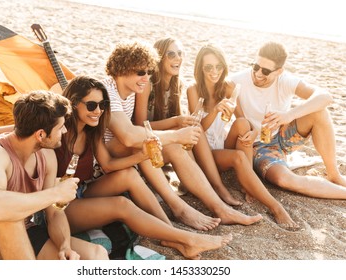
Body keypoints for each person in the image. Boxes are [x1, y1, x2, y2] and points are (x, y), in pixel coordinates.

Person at [56, 75, 233, 259]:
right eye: (92, 105)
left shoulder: (91, 130)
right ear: (75, 103)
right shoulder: (58, 133)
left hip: (82, 189)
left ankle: (171, 235)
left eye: (103, 105)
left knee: (130, 175)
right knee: (122, 204)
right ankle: (187, 238)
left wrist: (141, 156)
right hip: (60, 204)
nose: (98, 111)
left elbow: (108, 165)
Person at [103, 40, 262, 230]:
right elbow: (129, 136)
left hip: (128, 153)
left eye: (148, 72)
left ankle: (219, 208)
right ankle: (183, 208)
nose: (145, 78)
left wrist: (176, 134)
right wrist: (176, 133)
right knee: (156, 140)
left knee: (173, 146)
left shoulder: (130, 91)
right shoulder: (107, 92)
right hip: (106, 161)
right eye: (140, 72)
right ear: (121, 69)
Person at [0, 91, 108, 260]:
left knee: (96, 255)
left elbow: (54, 213)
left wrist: (64, 245)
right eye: (60, 127)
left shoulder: (47, 155)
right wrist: (56, 193)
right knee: (10, 214)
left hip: (23, 229)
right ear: (41, 134)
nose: (65, 131)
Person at [186, 43, 297, 228]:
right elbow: (197, 130)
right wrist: (214, 110)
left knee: (243, 124)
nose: (214, 71)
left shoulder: (228, 88)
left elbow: (241, 119)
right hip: (202, 151)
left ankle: (248, 184)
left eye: (218, 66)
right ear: (200, 68)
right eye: (208, 67)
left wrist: (254, 132)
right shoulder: (193, 90)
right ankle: (275, 206)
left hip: (221, 145)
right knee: (234, 155)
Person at [231, 41, 346, 199]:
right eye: (255, 66)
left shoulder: (285, 80)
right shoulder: (238, 80)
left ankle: (334, 175)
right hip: (258, 144)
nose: (258, 74)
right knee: (283, 180)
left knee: (319, 112)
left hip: (283, 134)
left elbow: (325, 97)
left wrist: (289, 115)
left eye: (265, 71)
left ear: (279, 71)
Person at [135, 37, 241, 207]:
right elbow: (140, 126)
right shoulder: (148, 84)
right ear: (159, 57)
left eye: (180, 53)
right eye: (171, 54)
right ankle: (212, 186)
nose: (178, 58)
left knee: (192, 126)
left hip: (165, 141)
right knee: (188, 126)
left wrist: (182, 122)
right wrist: (177, 120)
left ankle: (211, 185)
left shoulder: (177, 84)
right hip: (147, 143)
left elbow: (178, 124)